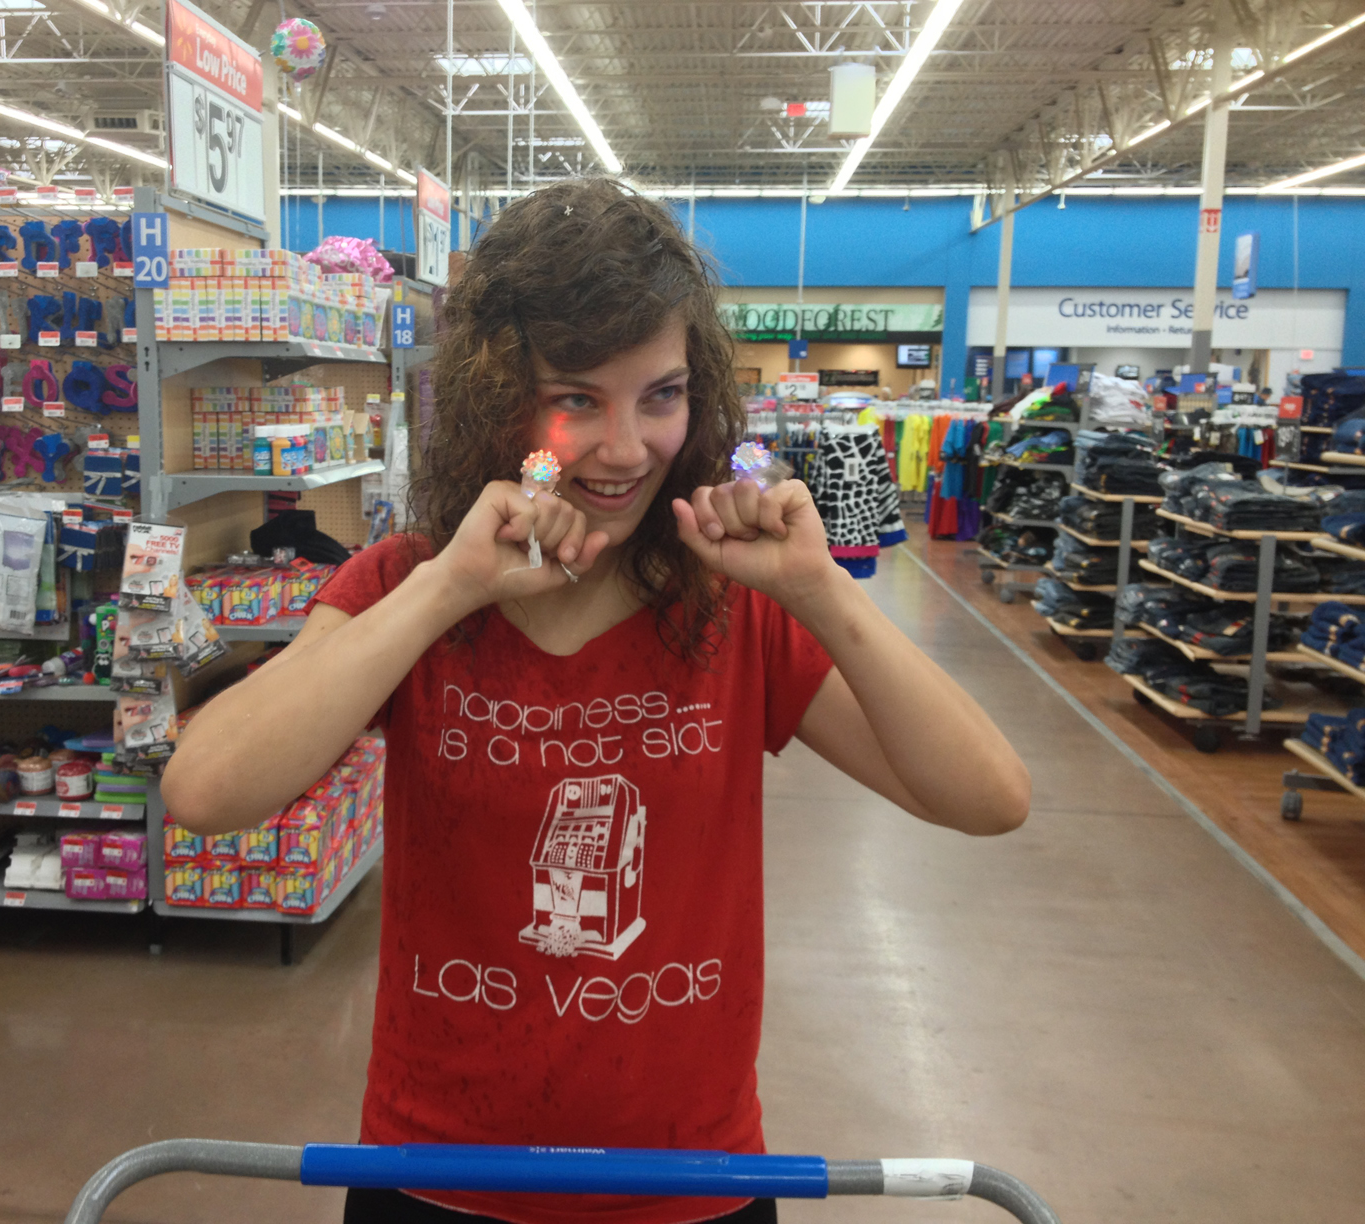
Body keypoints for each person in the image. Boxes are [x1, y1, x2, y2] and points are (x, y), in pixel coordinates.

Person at [162, 177, 1031, 1224]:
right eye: (576, 399)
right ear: (499, 401)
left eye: (661, 395)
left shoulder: (733, 605)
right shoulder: (407, 586)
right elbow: (206, 790)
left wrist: (819, 591)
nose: (626, 448)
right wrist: (449, 588)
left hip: (694, 1185)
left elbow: (989, 797)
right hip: (438, 1178)